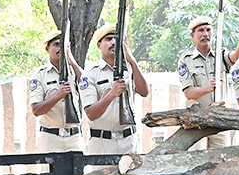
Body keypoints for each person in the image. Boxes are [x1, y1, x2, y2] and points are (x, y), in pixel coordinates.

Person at [81, 23, 149, 155]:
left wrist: (132, 61)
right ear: (99, 45)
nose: (113, 42)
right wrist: (112, 94)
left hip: (129, 142)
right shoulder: (91, 73)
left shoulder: (129, 68)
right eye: (108, 39)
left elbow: (144, 91)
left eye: (117, 39)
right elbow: (90, 113)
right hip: (102, 143)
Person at [178, 16, 238, 148]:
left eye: (208, 30)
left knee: (220, 159)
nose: (205, 34)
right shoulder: (186, 61)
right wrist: (208, 88)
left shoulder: (221, 56)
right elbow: (188, 93)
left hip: (220, 118)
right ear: (193, 35)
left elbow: (235, 56)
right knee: (197, 159)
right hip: (197, 121)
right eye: (200, 30)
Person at [29, 29, 84, 152]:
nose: (60, 48)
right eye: (56, 44)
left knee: (78, 171)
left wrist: (73, 62)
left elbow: (87, 86)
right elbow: (36, 110)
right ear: (47, 49)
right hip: (50, 138)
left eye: (63, 45)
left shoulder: (75, 71)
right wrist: (58, 96)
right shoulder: (40, 75)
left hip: (74, 137)